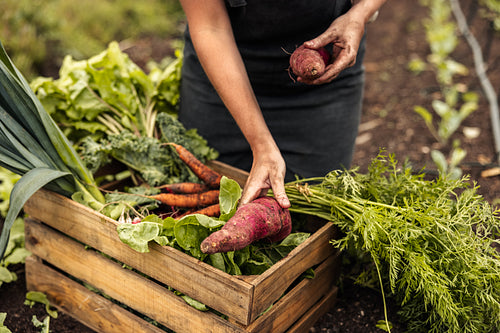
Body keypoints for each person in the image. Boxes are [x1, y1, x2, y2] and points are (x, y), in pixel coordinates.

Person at [177, 0, 387, 209]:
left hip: (324, 81)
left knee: (315, 211)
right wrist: (260, 144)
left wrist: (360, 13)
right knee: (210, 204)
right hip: (223, 83)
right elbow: (210, 27)